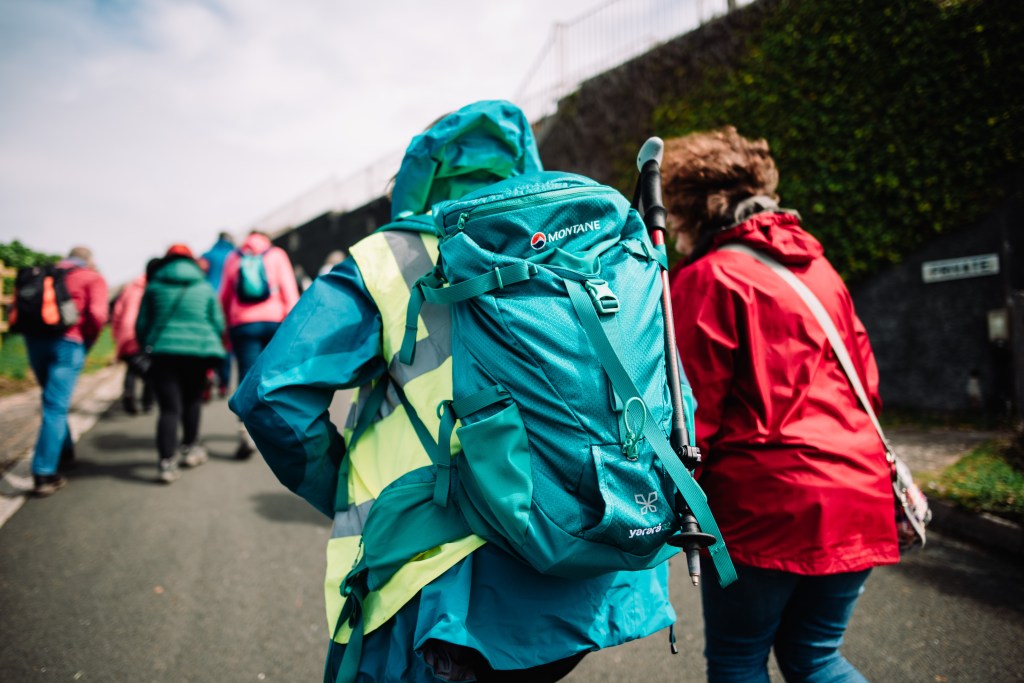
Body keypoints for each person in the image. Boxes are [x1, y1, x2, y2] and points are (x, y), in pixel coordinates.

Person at [230, 100, 676, 682]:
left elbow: (272, 395)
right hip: (594, 557)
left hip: (448, 582)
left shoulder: (391, 256)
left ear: (416, 177)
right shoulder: (593, 245)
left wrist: (340, 485)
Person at [662, 126, 900, 682]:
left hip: (765, 508)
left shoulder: (708, 279)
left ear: (693, 208)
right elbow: (868, 386)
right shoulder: (821, 272)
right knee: (815, 657)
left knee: (739, 659)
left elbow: (692, 417)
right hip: (859, 493)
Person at [136, 244, 226, 483]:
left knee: (169, 409)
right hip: (198, 353)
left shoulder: (154, 286)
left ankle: (166, 463)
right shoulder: (204, 286)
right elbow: (218, 323)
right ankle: (190, 448)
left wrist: (148, 344)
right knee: (192, 401)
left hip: (163, 353)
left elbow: (142, 324)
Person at [23, 246, 108, 496]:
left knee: (51, 400)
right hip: (68, 343)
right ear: (88, 260)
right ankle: (44, 472)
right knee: (56, 406)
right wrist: (87, 341)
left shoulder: (46, 273)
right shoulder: (91, 277)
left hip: (34, 341)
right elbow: (98, 314)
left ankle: (65, 450)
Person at [218, 229, 299, 459]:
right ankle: (279, 429)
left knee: (247, 377)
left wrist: (226, 327)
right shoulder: (276, 254)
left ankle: (246, 432)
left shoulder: (234, 257)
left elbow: (224, 295)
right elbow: (289, 290)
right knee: (274, 376)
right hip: (274, 321)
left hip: (242, 324)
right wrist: (293, 327)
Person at [110, 261, 159, 415]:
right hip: (143, 335)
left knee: (131, 368)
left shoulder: (129, 288)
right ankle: (147, 402)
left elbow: (117, 312)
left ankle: (128, 393)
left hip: (125, 335)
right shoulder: (154, 288)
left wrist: (116, 335)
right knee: (150, 369)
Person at [201, 232, 236, 398]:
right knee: (226, 343)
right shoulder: (235, 255)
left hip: (208, 301)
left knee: (207, 341)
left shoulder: (207, 256)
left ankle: (208, 374)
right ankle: (224, 384)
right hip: (228, 303)